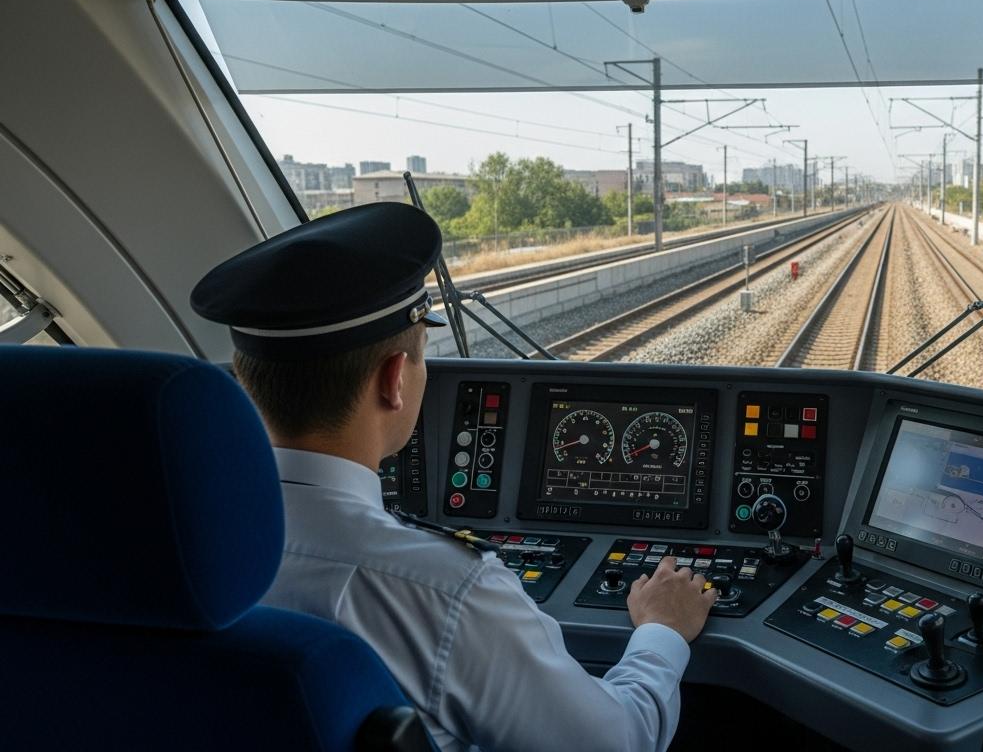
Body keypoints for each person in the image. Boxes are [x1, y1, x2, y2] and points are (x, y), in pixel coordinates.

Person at [190, 202, 716, 751]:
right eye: (420, 356)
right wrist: (662, 631)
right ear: (394, 380)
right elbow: (618, 743)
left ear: (246, 382)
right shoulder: (444, 590)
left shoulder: (170, 552)